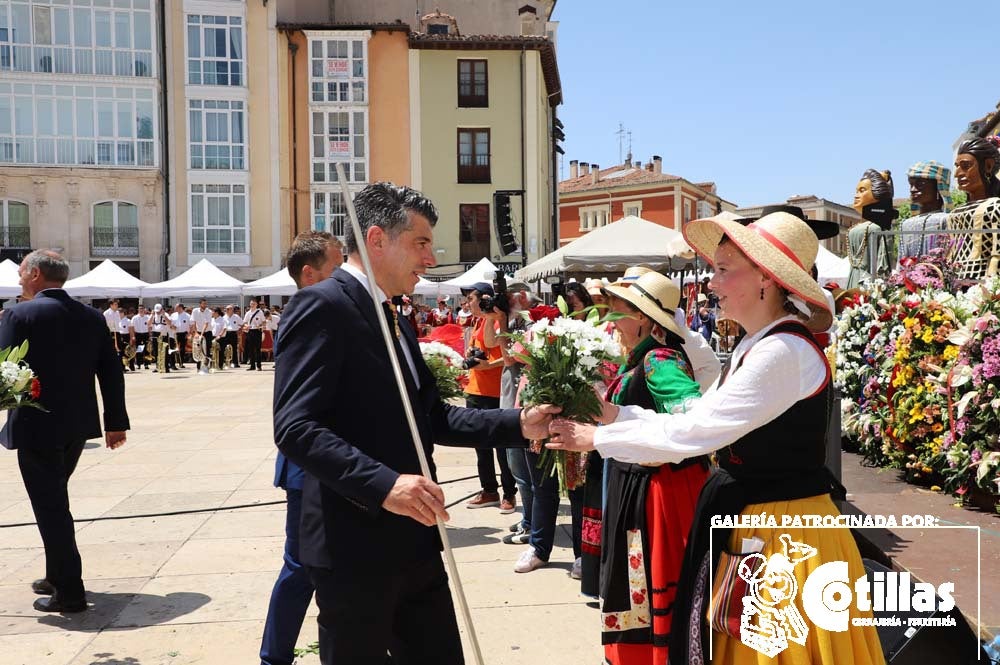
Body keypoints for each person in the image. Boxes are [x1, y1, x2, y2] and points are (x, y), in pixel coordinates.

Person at [547, 211, 885, 665]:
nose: (711, 282)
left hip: (785, 531)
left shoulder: (782, 350)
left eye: (724, 269)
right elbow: (703, 418)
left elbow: (695, 432)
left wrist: (598, 438)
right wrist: (615, 415)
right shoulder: (761, 343)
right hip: (766, 522)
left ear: (765, 278)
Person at [273, 182, 558, 665]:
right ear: (378, 239)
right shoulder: (322, 305)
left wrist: (520, 424)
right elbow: (296, 427)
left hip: (417, 541)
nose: (430, 259)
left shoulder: (397, 317)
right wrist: (385, 486)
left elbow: (432, 416)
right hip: (354, 547)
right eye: (421, 243)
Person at [0, 250, 129, 613]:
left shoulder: (19, 314)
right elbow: (110, 371)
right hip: (77, 426)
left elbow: (5, 366)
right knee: (55, 498)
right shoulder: (90, 316)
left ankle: (70, 590)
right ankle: (56, 573)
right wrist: (115, 422)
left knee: (51, 507)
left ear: (36, 274)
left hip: (35, 425)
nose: (19, 281)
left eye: (22, 274)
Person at [590, 271, 708, 665]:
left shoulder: (659, 359)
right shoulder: (639, 359)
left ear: (643, 318)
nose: (610, 320)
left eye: (618, 311)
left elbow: (692, 415)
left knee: (646, 578)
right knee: (633, 579)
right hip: (638, 483)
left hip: (657, 489)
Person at [260, 229, 343, 665]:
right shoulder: (309, 316)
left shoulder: (328, 311)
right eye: (337, 267)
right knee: (301, 566)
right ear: (310, 274)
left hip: (333, 463)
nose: (346, 274)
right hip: (309, 466)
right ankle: (274, 657)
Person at [462, 281, 517, 514]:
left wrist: (487, 365)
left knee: (501, 447)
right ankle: (489, 490)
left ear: (483, 298)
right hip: (474, 389)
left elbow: (505, 355)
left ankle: (509, 493)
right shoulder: (479, 320)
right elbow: (482, 347)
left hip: (494, 391)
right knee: (480, 446)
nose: (467, 302)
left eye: (471, 298)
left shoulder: (496, 319)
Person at [243, 298, 266, 371]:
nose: (252, 305)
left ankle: (259, 366)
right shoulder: (248, 313)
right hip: (250, 331)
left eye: (253, 304)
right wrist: (246, 326)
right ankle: (252, 365)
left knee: (258, 349)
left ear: (256, 305)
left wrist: (261, 326)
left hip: (257, 331)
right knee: (251, 349)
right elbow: (245, 322)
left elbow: (264, 321)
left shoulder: (260, 312)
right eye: (251, 304)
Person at [191, 298, 213, 372]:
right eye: (203, 304)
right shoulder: (195, 311)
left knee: (206, 350)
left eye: (205, 304)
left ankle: (206, 367)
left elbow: (206, 324)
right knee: (198, 350)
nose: (204, 305)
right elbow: (193, 322)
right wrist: (196, 333)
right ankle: (198, 367)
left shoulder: (209, 311)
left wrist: (202, 334)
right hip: (198, 332)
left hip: (207, 332)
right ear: (200, 304)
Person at [149, 303, 172, 373]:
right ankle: (158, 366)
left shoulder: (166, 314)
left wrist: (164, 315)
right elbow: (148, 323)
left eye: (159, 311)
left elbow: (169, 323)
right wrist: (152, 315)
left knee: (164, 351)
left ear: (162, 310)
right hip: (155, 333)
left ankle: (166, 367)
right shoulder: (153, 315)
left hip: (163, 334)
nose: (158, 312)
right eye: (156, 311)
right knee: (156, 351)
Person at [171, 303, 191, 369]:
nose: (175, 308)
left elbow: (190, 325)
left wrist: (188, 333)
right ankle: (173, 363)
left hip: (183, 334)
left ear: (180, 307)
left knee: (182, 349)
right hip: (175, 333)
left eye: (176, 307)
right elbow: (170, 324)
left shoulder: (187, 315)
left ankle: (181, 363)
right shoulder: (173, 315)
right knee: (174, 349)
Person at [131, 305, 150, 370]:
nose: (141, 310)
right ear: (138, 310)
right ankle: (138, 364)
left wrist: (150, 335)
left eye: (142, 309)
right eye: (140, 309)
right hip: (138, 334)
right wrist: (133, 336)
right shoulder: (135, 318)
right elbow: (132, 327)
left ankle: (146, 364)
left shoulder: (147, 317)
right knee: (139, 350)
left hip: (146, 334)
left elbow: (150, 327)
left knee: (146, 350)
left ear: (144, 309)